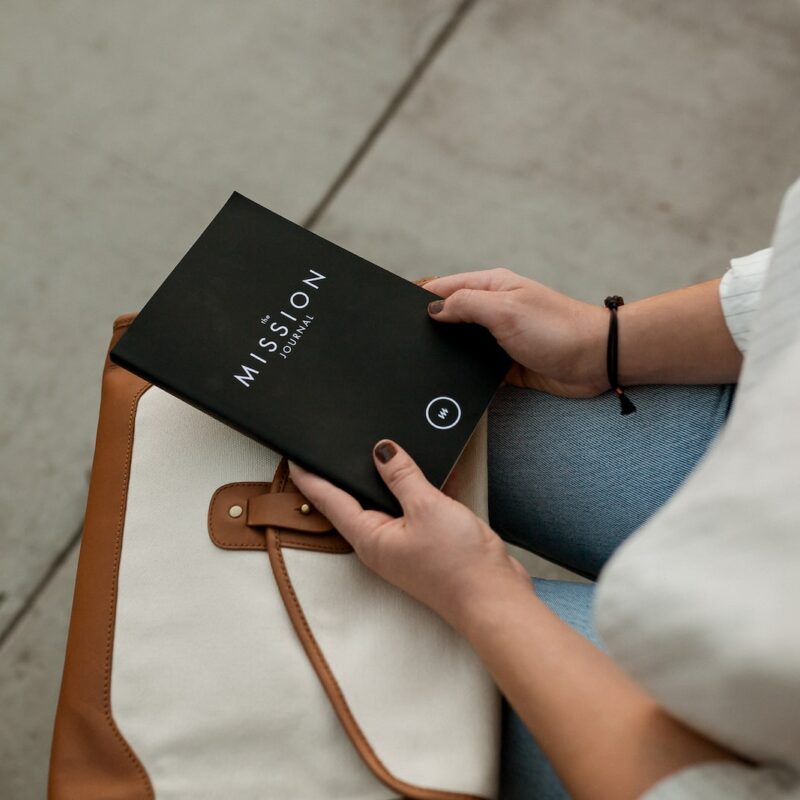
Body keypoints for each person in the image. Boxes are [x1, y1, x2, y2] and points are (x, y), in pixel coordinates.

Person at [289, 178, 800, 799]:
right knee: (366, 400)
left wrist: (480, 594)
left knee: (347, 654)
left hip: (735, 744)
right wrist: (602, 343)